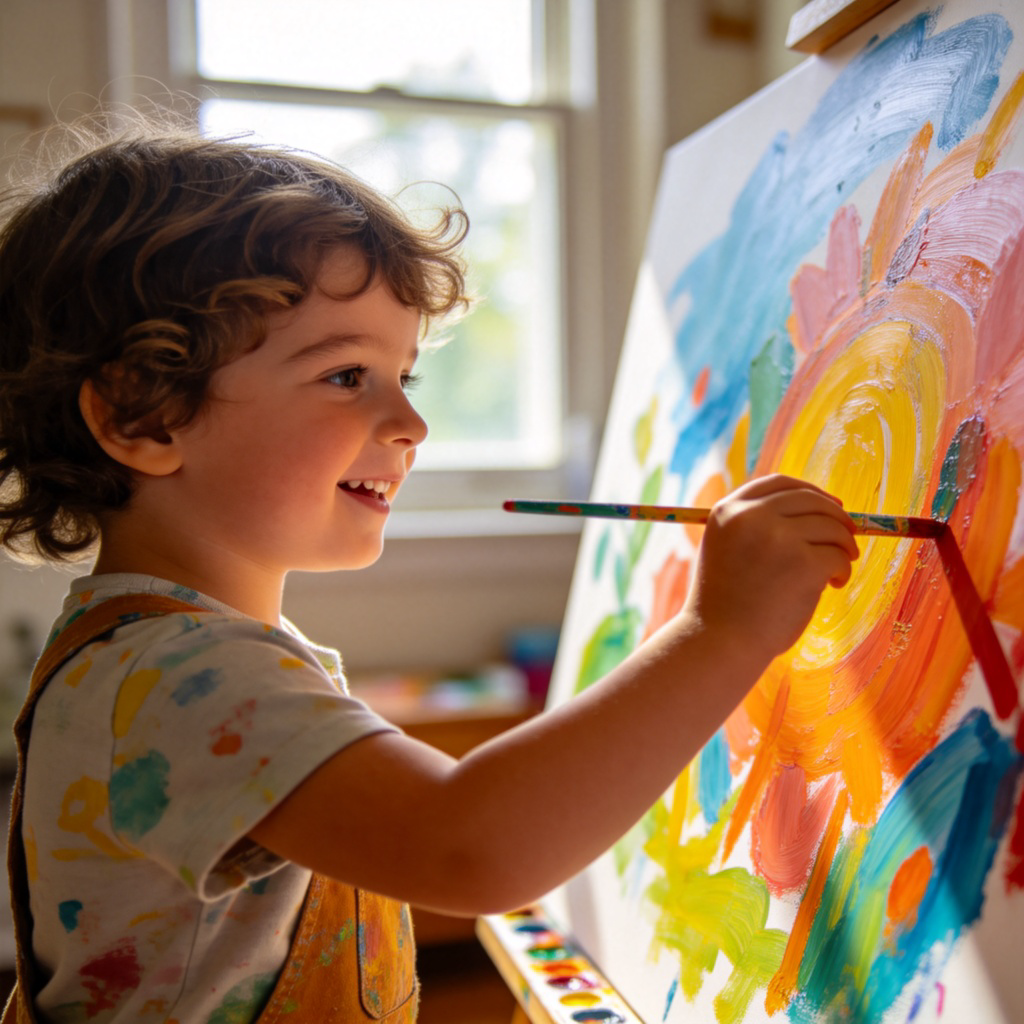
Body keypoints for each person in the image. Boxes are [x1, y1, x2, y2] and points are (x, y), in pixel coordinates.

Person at [0, 119, 858, 1024]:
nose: (411, 425)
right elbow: (470, 847)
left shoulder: (168, 655)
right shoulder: (177, 675)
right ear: (143, 417)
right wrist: (721, 630)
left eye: (403, 375)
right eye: (346, 375)